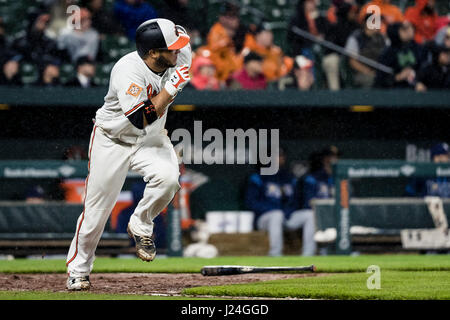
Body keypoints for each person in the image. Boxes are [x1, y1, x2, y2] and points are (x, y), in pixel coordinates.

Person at [66, 18, 192, 291]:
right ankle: (78, 270)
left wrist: (176, 38)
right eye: (171, 48)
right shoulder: (127, 70)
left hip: (151, 140)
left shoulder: (178, 55)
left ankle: (141, 223)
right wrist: (171, 89)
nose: (178, 52)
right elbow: (140, 118)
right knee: (96, 213)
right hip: (113, 140)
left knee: (169, 179)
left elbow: (183, 37)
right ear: (152, 53)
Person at [245, 149, 316, 257]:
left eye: (281, 156)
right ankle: (275, 254)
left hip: (286, 216)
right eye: (276, 155)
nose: (280, 158)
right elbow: (251, 202)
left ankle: (308, 254)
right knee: (276, 214)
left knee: (309, 215)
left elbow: (295, 201)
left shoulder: (288, 177)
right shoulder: (258, 177)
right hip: (265, 219)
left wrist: (287, 211)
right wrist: (273, 209)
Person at [199, 1, 244, 82]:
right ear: (222, 18)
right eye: (230, 16)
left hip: (229, 74)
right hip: (217, 72)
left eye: (235, 16)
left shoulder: (241, 32)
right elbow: (215, 49)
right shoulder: (216, 30)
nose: (235, 20)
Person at [321, 0, 359, 90]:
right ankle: (335, 96)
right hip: (335, 56)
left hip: (353, 57)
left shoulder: (356, 27)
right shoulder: (334, 27)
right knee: (332, 61)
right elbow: (329, 49)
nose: (354, 15)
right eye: (351, 12)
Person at [375, 21, 424, 89]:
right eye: (403, 30)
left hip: (417, 87)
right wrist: (398, 77)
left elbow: (424, 67)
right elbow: (381, 80)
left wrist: (417, 80)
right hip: (395, 91)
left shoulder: (417, 48)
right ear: (395, 32)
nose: (408, 31)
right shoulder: (388, 53)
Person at [345, 14, 388, 88]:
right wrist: (367, 71)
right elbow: (352, 61)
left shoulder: (382, 38)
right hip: (360, 73)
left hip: (379, 71)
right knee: (370, 79)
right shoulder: (356, 37)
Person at [301, 146, 339, 211]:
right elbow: (308, 204)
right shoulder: (312, 178)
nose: (333, 159)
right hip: (311, 213)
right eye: (329, 157)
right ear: (323, 159)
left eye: (336, 157)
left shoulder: (340, 179)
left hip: (334, 214)